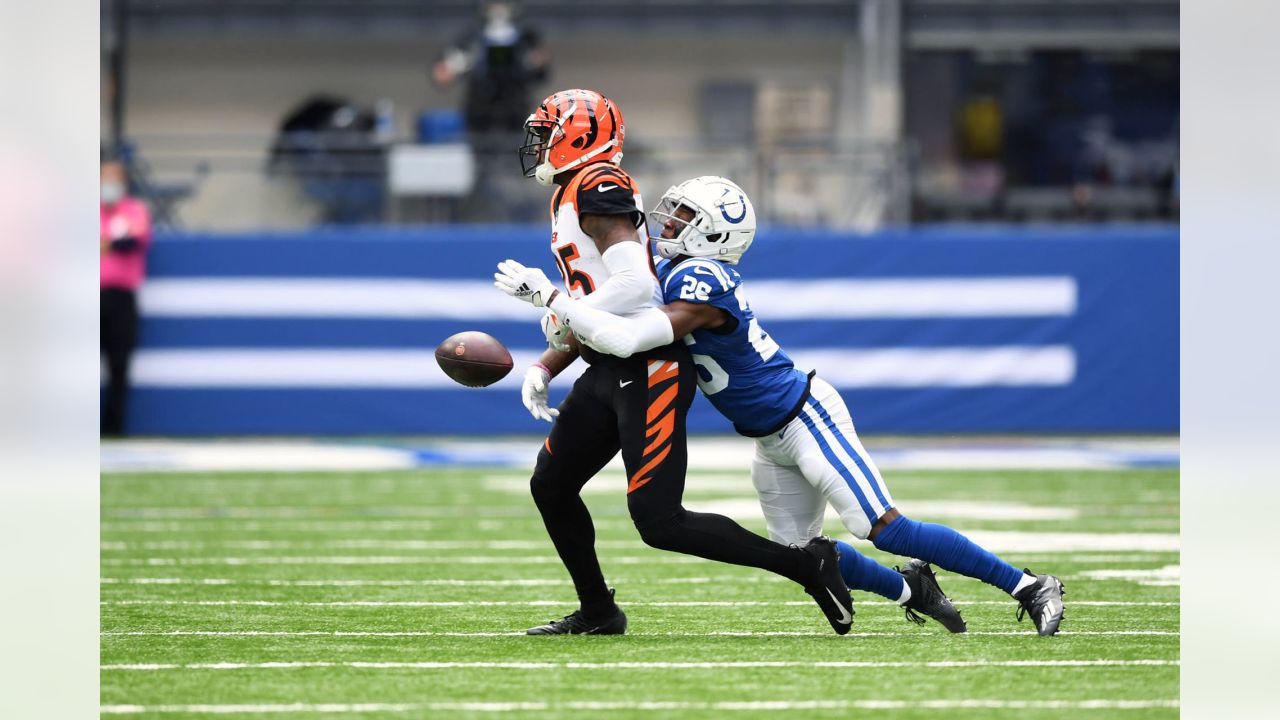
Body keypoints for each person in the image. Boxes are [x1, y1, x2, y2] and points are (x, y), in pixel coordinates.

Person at [499, 176, 1067, 636]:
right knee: (806, 553)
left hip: (805, 418)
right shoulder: (666, 269)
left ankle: (1029, 584)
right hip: (767, 439)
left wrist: (549, 296)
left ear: (715, 237)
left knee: (882, 526)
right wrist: (548, 363)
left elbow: (623, 339)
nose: (668, 225)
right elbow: (604, 324)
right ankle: (910, 588)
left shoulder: (702, 278)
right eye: (670, 212)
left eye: (684, 219)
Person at [493, 89, 855, 636]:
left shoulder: (598, 182)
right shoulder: (576, 187)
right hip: (610, 364)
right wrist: (549, 362)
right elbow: (599, 297)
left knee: (660, 522)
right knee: (551, 484)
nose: (539, 143)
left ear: (579, 133)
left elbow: (636, 284)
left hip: (649, 368)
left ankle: (807, 564)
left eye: (547, 131)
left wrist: (554, 303)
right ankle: (598, 611)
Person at [100, 158, 153, 436]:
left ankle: (113, 427)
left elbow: (130, 241)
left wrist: (107, 242)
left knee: (119, 362)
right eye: (103, 177)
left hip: (121, 297)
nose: (107, 184)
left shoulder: (135, 210)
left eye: (113, 178)